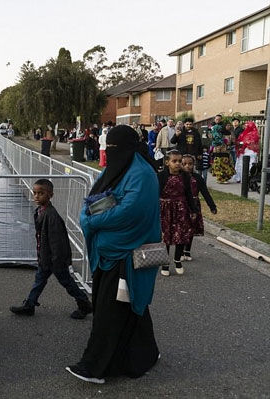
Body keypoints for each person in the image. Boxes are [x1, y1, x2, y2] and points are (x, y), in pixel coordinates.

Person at [67, 125, 160, 384]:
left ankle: (96, 367)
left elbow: (131, 212)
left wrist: (92, 221)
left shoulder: (141, 174)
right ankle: (146, 353)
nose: (111, 153)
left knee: (110, 312)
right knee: (129, 307)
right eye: (109, 147)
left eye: (115, 148)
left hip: (125, 256)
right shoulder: (120, 169)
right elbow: (96, 196)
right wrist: (88, 213)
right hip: (109, 254)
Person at [10, 179, 93, 319]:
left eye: (41, 193)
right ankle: (29, 305)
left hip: (55, 260)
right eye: (34, 193)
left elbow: (57, 242)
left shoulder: (51, 216)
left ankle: (84, 304)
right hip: (46, 257)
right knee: (39, 281)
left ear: (50, 195)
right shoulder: (41, 211)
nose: (36, 196)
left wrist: (56, 261)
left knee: (67, 282)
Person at [158, 150, 197, 276]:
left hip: (181, 208)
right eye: (174, 161)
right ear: (167, 162)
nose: (178, 164)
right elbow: (155, 193)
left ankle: (177, 259)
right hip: (165, 209)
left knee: (180, 235)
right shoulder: (161, 176)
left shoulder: (185, 176)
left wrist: (193, 210)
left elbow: (189, 194)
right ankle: (165, 263)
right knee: (166, 236)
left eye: (179, 161)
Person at [181, 154, 217, 261]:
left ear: (194, 165)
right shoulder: (178, 177)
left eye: (190, 164)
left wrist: (212, 206)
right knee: (182, 228)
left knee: (191, 228)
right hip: (182, 205)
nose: (187, 166)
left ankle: (187, 251)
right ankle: (180, 250)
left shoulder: (198, 178)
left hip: (194, 205)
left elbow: (205, 193)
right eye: (184, 164)